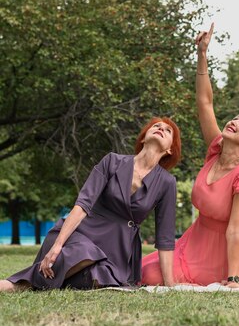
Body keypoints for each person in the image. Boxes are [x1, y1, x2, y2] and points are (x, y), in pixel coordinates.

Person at [142, 24, 239, 287]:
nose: (234, 121)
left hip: (218, 257)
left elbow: (236, 228)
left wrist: (233, 278)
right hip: (191, 242)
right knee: (136, 265)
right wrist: (202, 55)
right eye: (235, 117)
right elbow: (205, 103)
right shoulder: (216, 149)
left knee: (150, 275)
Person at [0, 118, 181, 292]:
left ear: (170, 150)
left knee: (100, 276)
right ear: (143, 137)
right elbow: (83, 204)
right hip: (79, 234)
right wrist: (57, 245)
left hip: (116, 249)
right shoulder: (112, 161)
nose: (160, 128)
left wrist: (169, 283)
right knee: (84, 251)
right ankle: (19, 285)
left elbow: (164, 237)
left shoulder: (167, 182)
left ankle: (39, 282)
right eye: (156, 126)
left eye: (168, 130)